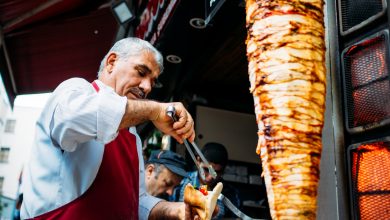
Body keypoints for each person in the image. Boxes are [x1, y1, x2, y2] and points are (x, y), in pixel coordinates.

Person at [20, 37, 203, 219]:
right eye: (141, 72)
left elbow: (136, 201)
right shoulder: (77, 90)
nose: (147, 87)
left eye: (152, 82)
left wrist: (176, 210)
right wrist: (155, 111)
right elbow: (72, 119)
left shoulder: (133, 137)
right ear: (112, 62)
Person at [171, 142, 241, 219]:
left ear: (223, 171)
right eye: (206, 169)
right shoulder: (181, 181)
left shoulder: (230, 194)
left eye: (216, 172)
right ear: (198, 161)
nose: (210, 177)